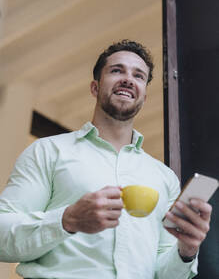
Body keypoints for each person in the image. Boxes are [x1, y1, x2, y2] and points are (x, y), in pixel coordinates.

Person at [0, 40, 212, 279]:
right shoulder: (47, 152)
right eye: (116, 70)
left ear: (143, 96)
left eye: (139, 75)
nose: (128, 79)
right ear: (94, 87)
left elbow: (165, 274)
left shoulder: (164, 177)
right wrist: (66, 220)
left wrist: (186, 251)